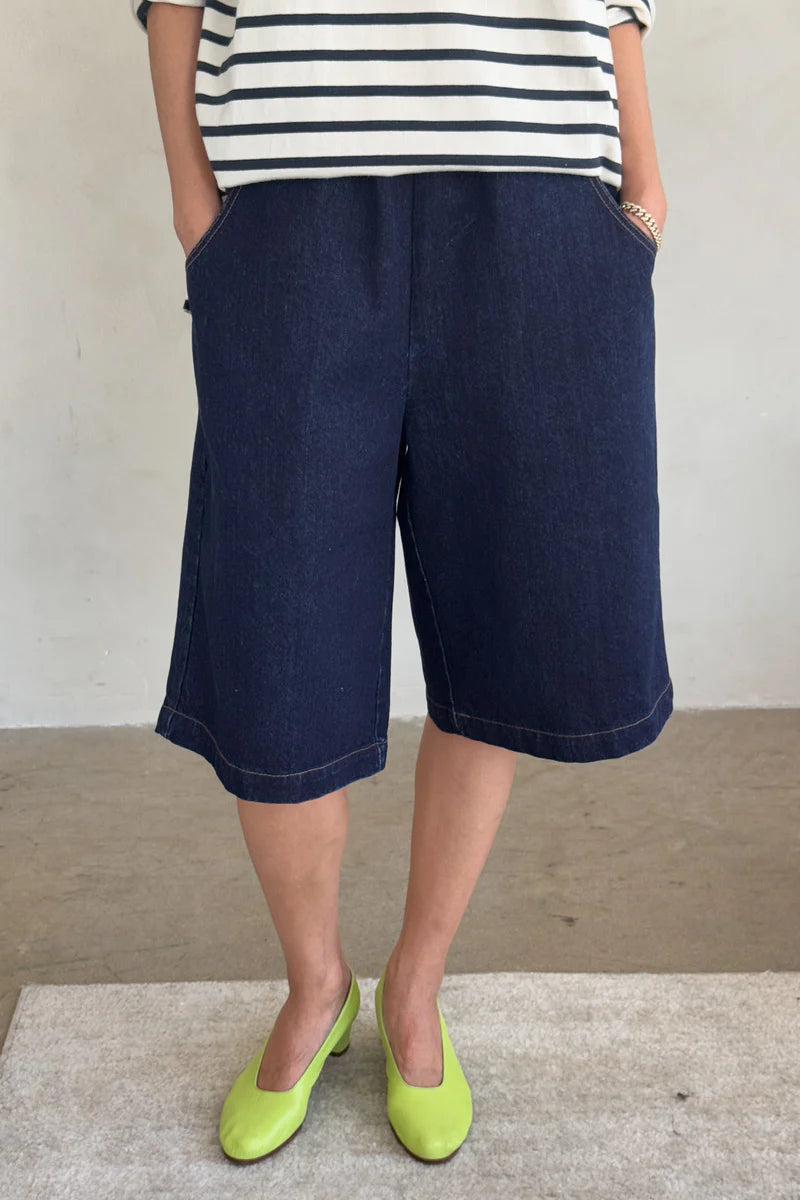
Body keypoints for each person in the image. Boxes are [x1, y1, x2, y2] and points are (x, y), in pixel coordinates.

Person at [131, 0, 671, 1165]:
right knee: (276, 640)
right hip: (289, 210)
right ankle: (315, 986)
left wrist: (641, 184)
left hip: (542, 206)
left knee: (499, 622)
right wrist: (194, 202)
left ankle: (416, 987)